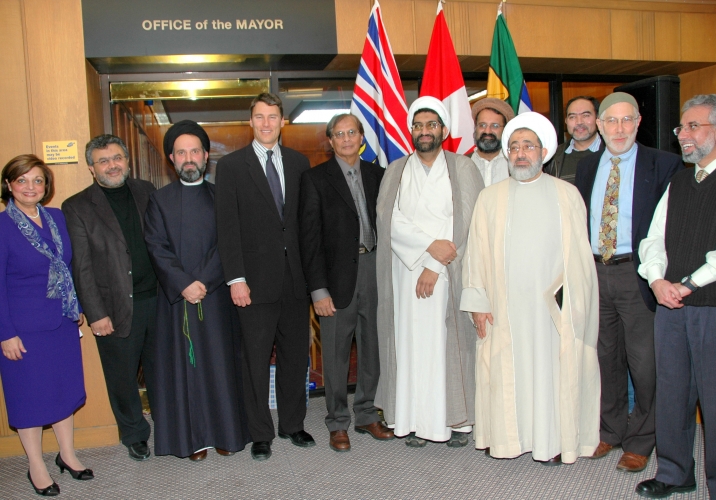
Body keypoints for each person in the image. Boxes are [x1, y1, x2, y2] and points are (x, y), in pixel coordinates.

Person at [461, 112, 600, 465]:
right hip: (503, 309)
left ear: (543, 152)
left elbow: (581, 260)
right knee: (507, 374)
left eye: (528, 146)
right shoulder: (489, 198)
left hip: (551, 308)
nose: (520, 153)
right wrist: (477, 302)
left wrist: (571, 304)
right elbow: (475, 254)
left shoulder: (566, 195)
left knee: (549, 375)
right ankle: (509, 440)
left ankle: (551, 441)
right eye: (514, 147)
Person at [575, 92, 683, 472]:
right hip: (594, 272)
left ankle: (641, 440)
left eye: (627, 120)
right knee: (605, 358)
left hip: (637, 274)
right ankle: (611, 430)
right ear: (600, 126)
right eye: (611, 121)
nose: (619, 129)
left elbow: (672, 228)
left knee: (645, 363)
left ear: (638, 123)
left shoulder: (666, 164)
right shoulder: (587, 168)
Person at [375, 96, 483, 448]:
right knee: (409, 347)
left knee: (447, 345)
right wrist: (427, 247)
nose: (424, 131)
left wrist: (435, 264)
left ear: (443, 130)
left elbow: (465, 219)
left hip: (448, 272)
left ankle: (455, 421)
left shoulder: (463, 167)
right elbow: (388, 219)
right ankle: (415, 420)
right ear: (411, 131)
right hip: (405, 275)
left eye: (431, 125)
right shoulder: (395, 170)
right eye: (418, 126)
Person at [143, 120, 251, 461]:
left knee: (220, 366)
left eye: (194, 151)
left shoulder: (223, 196)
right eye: (180, 152)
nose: (188, 158)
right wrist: (184, 284)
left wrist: (203, 281)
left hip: (217, 298)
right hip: (177, 302)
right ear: (171, 159)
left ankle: (225, 433)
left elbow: (230, 244)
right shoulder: (158, 201)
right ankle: (194, 440)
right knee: (186, 370)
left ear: (206, 156)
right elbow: (156, 247)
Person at [215, 93, 313, 461]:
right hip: (253, 283)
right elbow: (227, 228)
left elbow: (304, 224)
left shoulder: (300, 162)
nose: (266, 123)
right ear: (251, 121)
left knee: (295, 357)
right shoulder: (231, 167)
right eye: (259, 117)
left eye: (273, 116)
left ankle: (293, 424)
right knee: (255, 359)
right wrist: (235, 279)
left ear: (283, 121)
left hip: (295, 279)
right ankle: (260, 433)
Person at [636, 94, 716, 499]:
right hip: (670, 306)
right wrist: (655, 280)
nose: (683, 135)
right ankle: (674, 472)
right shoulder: (681, 181)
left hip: (710, 308)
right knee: (672, 391)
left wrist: (687, 284)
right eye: (681, 128)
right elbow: (653, 239)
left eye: (693, 126)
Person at [62, 135, 158, 462]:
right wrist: (96, 312)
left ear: (127, 161)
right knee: (122, 377)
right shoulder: (75, 206)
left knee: (162, 371)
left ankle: (170, 424)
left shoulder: (147, 191)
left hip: (158, 300)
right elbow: (82, 267)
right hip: (113, 308)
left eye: (117, 158)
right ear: (91, 168)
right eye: (103, 161)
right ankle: (134, 434)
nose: (112, 165)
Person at [299, 114, 391, 452]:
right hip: (335, 277)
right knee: (336, 354)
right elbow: (308, 240)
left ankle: (367, 413)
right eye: (339, 134)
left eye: (352, 132)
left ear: (361, 137)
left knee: (373, 349)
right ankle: (338, 422)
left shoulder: (379, 175)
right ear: (330, 141)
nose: (347, 138)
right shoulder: (314, 179)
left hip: (376, 268)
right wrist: (318, 290)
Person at [1, 155, 92, 496]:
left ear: (46, 186)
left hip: (61, 322)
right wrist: (4, 333)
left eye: (37, 180)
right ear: (9, 185)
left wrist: (77, 307)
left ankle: (67, 455)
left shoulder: (56, 217)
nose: (30, 187)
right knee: (30, 397)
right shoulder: (2, 227)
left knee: (63, 390)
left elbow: (69, 268)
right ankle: (35, 465)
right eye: (22, 180)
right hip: (23, 330)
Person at [544, 95, 604, 184]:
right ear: (566, 121)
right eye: (572, 117)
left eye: (586, 115)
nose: (579, 122)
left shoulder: (612, 152)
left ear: (597, 118)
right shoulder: (552, 158)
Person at [469, 98, 515, 187]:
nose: (487, 131)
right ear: (475, 128)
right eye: (482, 125)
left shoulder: (514, 163)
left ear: (505, 130)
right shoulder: (461, 163)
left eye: (495, 126)